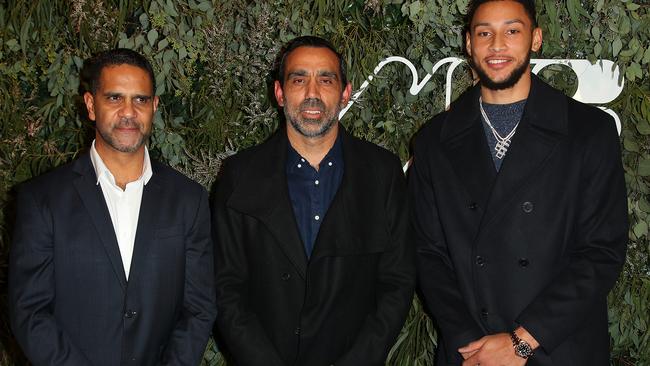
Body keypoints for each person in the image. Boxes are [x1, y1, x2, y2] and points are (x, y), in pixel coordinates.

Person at [409, 0, 628, 365]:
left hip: (559, 347)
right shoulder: (434, 141)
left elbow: (601, 252)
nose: (497, 45)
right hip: (471, 353)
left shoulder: (589, 132)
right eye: (484, 33)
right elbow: (427, 254)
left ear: (536, 38)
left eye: (512, 31)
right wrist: (471, 345)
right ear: (468, 43)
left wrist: (522, 341)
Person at [213, 36, 414, 366]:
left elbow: (397, 282)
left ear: (345, 93)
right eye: (298, 79)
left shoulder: (383, 173)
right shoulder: (240, 175)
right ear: (279, 93)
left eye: (326, 79)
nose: (312, 93)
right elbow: (226, 287)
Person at [9, 48, 217, 366]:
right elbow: (29, 312)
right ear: (91, 105)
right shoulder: (42, 200)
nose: (129, 112)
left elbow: (199, 308)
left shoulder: (188, 200)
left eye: (140, 99)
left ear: (154, 107)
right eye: (115, 98)